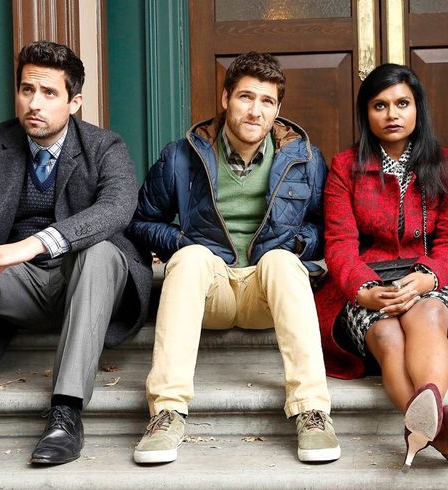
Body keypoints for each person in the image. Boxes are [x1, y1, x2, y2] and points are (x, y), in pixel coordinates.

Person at [0, 41, 152, 464]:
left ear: (74, 102)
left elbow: (116, 208)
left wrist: (29, 245)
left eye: (49, 93)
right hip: (19, 286)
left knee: (101, 252)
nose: (34, 104)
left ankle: (66, 413)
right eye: (26, 90)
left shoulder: (104, 146)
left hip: (85, 281)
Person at [128, 52, 339, 465]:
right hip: (211, 289)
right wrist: (185, 240)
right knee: (189, 258)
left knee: (281, 261)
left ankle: (312, 411)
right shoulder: (182, 156)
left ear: (278, 109)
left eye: (267, 101)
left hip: (267, 290)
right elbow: (140, 220)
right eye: (246, 97)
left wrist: (297, 245)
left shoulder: (304, 160)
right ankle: (167, 411)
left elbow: (325, 228)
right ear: (225, 98)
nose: (255, 110)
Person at [315, 63, 448, 471]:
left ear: (419, 109)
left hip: (428, 272)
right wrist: (363, 288)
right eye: (380, 105)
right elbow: (340, 244)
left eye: (402, 103)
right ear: (366, 113)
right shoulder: (345, 167)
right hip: (366, 279)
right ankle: (441, 431)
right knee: (387, 336)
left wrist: (429, 276)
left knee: (429, 315)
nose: (392, 114)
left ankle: (423, 426)